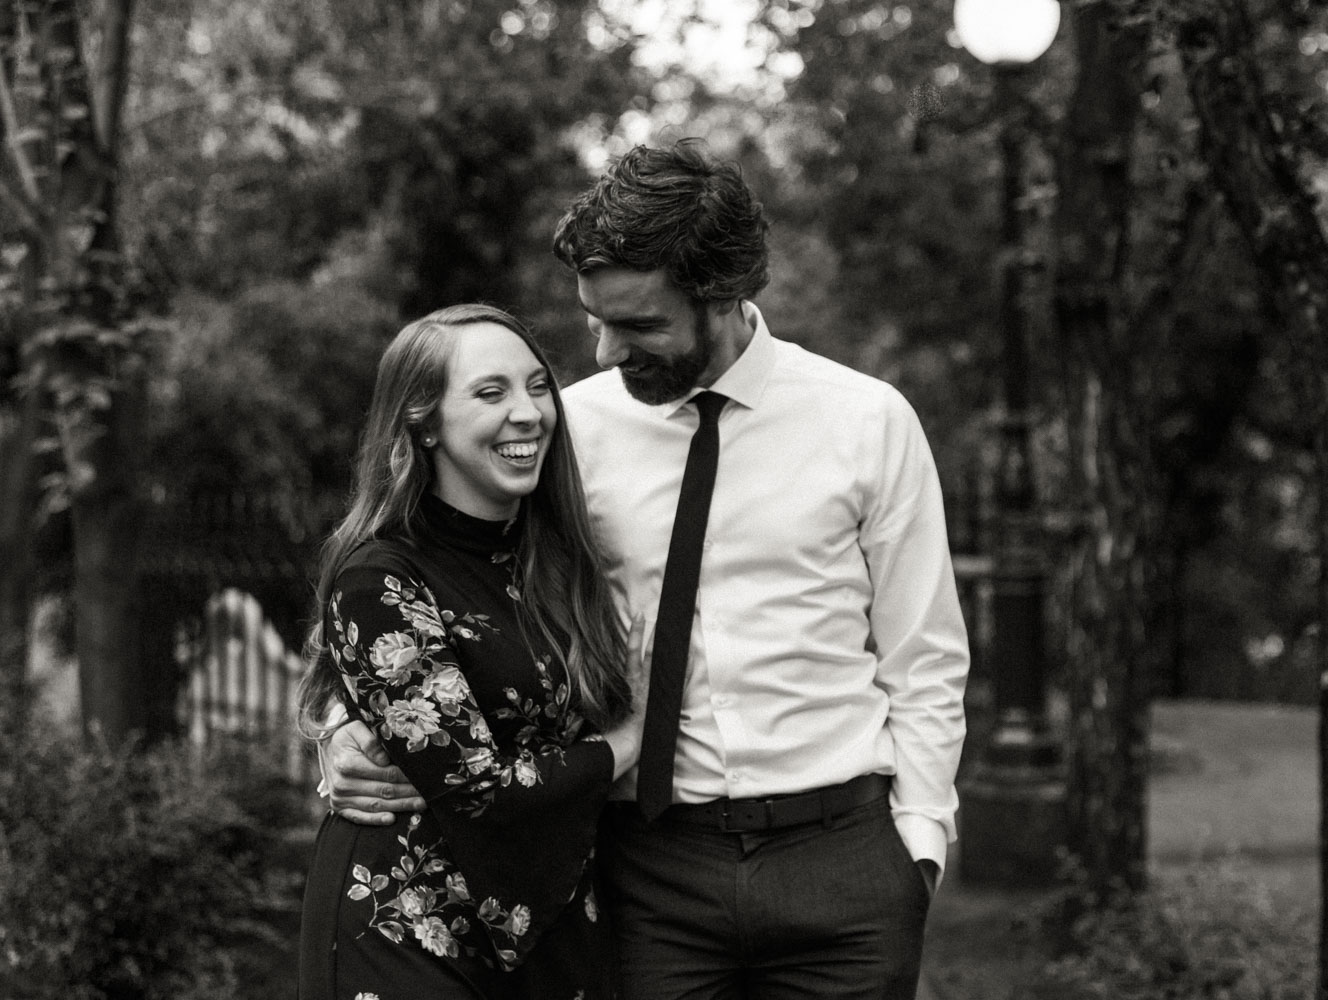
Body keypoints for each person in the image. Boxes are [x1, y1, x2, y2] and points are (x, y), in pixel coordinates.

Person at [323, 141, 970, 999]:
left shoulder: (867, 423)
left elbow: (923, 653)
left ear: (724, 295)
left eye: (637, 326)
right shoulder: (567, 435)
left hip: (841, 858)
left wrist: (918, 847)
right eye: (594, 319)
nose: (601, 353)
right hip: (643, 866)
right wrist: (344, 719)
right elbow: (442, 579)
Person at [296, 304, 648, 1000]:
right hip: (406, 929)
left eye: (538, 386)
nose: (529, 413)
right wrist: (633, 740)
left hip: (550, 932)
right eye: (491, 393)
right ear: (423, 421)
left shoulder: (558, 558)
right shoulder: (381, 576)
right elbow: (481, 791)